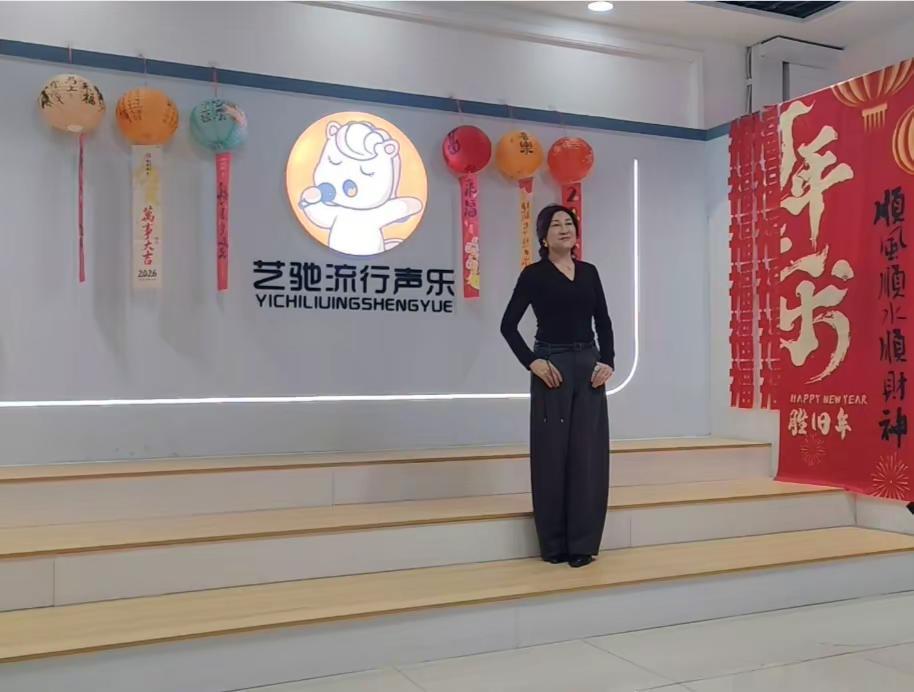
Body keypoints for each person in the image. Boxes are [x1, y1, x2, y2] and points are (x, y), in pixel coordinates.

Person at [500, 204, 614, 568]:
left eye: (569, 223)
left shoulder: (590, 272)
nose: (564, 229)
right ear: (543, 237)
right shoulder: (534, 275)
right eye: (555, 225)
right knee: (551, 455)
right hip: (552, 366)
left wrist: (608, 361)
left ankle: (583, 544)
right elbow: (507, 325)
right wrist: (532, 362)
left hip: (588, 366)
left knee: (588, 456)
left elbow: (603, 321)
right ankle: (553, 545)